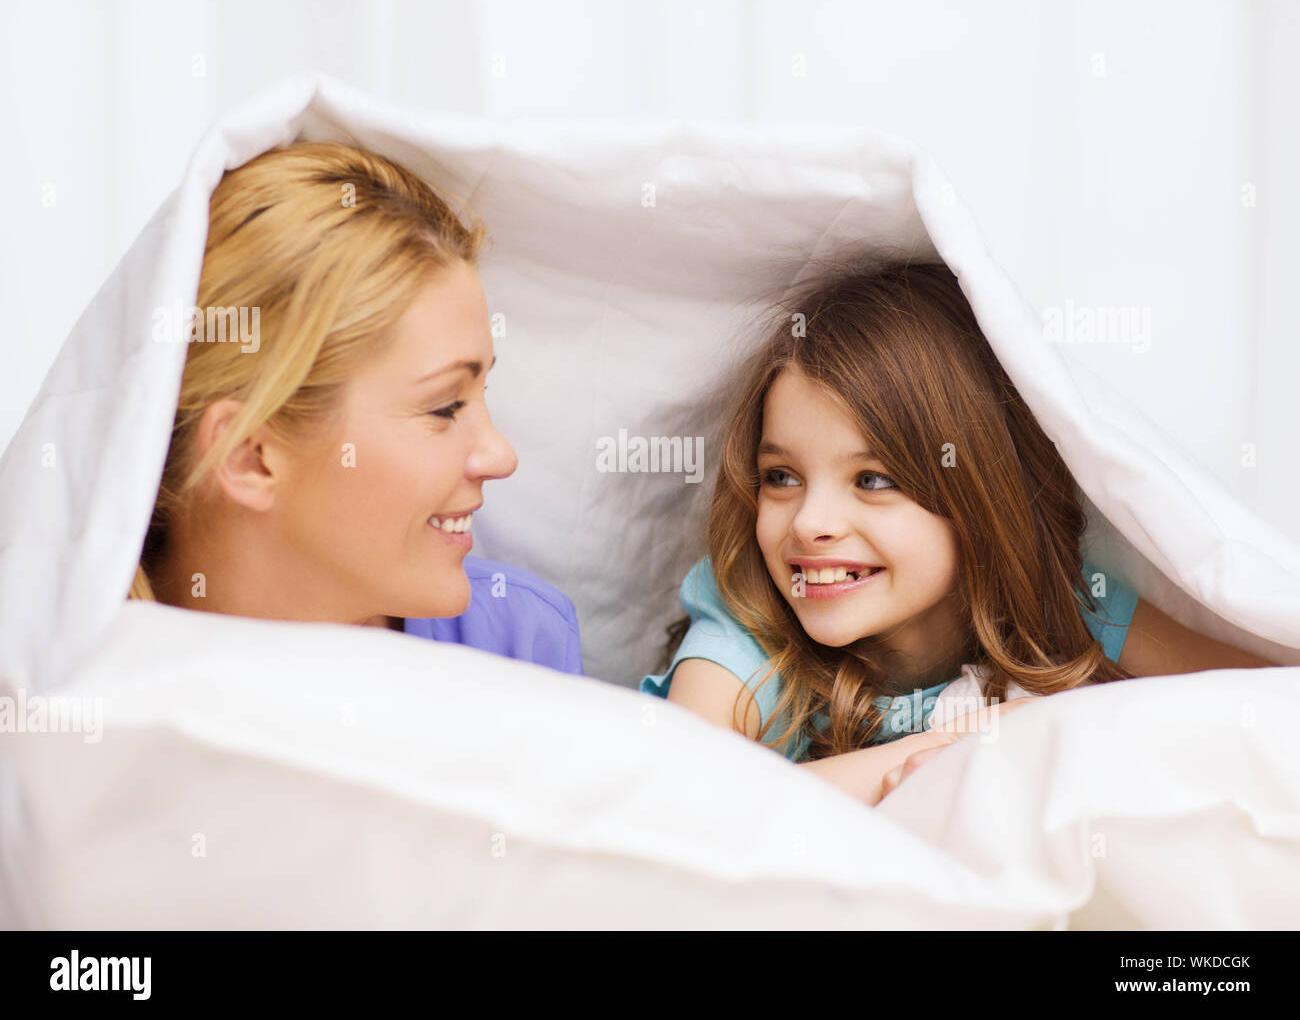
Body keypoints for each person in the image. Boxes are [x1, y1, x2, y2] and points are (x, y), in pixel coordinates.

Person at [641, 260, 1274, 804]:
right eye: (781, 476)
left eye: (873, 480)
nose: (810, 524)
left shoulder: (1074, 606)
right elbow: (684, 798)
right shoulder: (749, 622)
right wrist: (979, 739)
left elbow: (1264, 703)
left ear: (974, 495)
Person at [128, 140, 581, 674]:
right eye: (444, 407)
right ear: (248, 455)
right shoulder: (70, 703)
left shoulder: (522, 643)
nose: (501, 456)